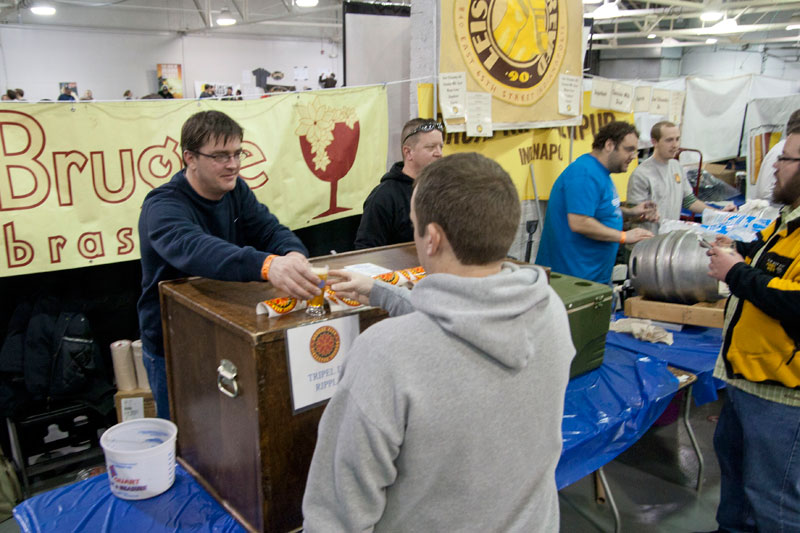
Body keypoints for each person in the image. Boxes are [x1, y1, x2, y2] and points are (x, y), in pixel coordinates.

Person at [302, 153, 575, 532]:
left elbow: (337, 514)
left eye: (414, 227)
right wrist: (381, 292)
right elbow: (467, 317)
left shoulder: (383, 354)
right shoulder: (549, 312)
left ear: (432, 238)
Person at [137, 110, 322, 419]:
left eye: (238, 153)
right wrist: (266, 265)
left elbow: (270, 229)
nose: (234, 164)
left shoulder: (236, 190)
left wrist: (292, 254)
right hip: (174, 344)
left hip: (223, 334)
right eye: (221, 156)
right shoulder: (162, 206)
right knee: (185, 438)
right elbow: (197, 249)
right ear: (190, 158)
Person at [706, 130, 800, 532]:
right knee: (737, 488)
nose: (775, 166)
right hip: (746, 381)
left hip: (781, 398)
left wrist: (737, 273)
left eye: (787, 159)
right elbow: (771, 262)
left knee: (775, 502)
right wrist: (742, 251)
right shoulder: (788, 221)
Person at [536, 121, 657, 284]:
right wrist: (623, 236)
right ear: (609, 145)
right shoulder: (584, 173)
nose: (633, 156)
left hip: (592, 277)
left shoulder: (601, 174)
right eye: (629, 150)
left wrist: (632, 212)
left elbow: (601, 211)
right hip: (572, 279)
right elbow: (579, 222)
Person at [627, 121, 736, 233]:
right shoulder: (641, 174)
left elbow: (689, 201)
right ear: (654, 142)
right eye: (669, 140)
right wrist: (645, 216)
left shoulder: (676, 167)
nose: (675, 145)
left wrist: (718, 214)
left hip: (668, 240)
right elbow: (633, 215)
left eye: (677, 139)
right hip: (646, 242)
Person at [354, 118, 444, 249]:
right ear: (408, 152)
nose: (439, 153)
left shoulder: (443, 192)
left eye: (441, 146)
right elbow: (366, 251)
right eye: (430, 147)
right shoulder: (383, 197)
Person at [753, 109, 800, 204]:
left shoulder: (787, 147)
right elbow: (765, 193)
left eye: (784, 158)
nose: (776, 165)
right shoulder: (783, 148)